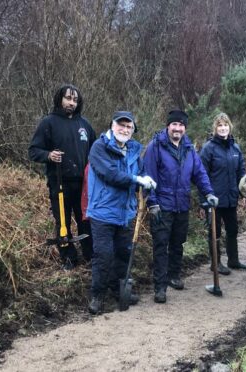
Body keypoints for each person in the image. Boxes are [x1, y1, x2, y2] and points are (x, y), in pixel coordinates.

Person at [86, 111, 157, 314]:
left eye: (129, 127)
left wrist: (146, 179)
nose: (125, 130)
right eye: (121, 125)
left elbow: (141, 171)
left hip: (125, 213)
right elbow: (110, 174)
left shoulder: (134, 149)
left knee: (123, 255)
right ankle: (97, 296)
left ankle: (119, 293)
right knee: (103, 255)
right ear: (112, 126)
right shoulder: (99, 148)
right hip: (102, 212)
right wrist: (136, 180)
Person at [144, 109, 218, 303]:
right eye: (174, 124)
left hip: (182, 205)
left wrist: (208, 192)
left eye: (181, 125)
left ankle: (174, 276)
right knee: (161, 246)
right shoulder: (156, 146)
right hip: (162, 206)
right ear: (168, 126)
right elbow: (148, 176)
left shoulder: (189, 148)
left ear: (185, 127)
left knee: (178, 244)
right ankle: (160, 287)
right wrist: (152, 202)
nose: (177, 128)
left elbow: (199, 173)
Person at [29, 84, 96, 270]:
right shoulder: (48, 123)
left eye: (75, 100)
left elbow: (96, 151)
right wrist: (48, 155)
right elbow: (33, 151)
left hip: (83, 184)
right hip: (59, 184)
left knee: (86, 220)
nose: (71, 103)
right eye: (68, 98)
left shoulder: (85, 125)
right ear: (60, 99)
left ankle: (90, 255)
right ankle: (69, 258)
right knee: (63, 223)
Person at [200, 113, 246, 275]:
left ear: (230, 127)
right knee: (215, 232)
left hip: (231, 198)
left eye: (225, 125)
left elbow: (241, 172)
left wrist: (244, 194)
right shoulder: (209, 148)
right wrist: (204, 200)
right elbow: (201, 175)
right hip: (214, 199)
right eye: (220, 125)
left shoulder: (235, 148)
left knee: (233, 229)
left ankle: (233, 260)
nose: (223, 128)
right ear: (215, 128)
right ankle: (216, 263)